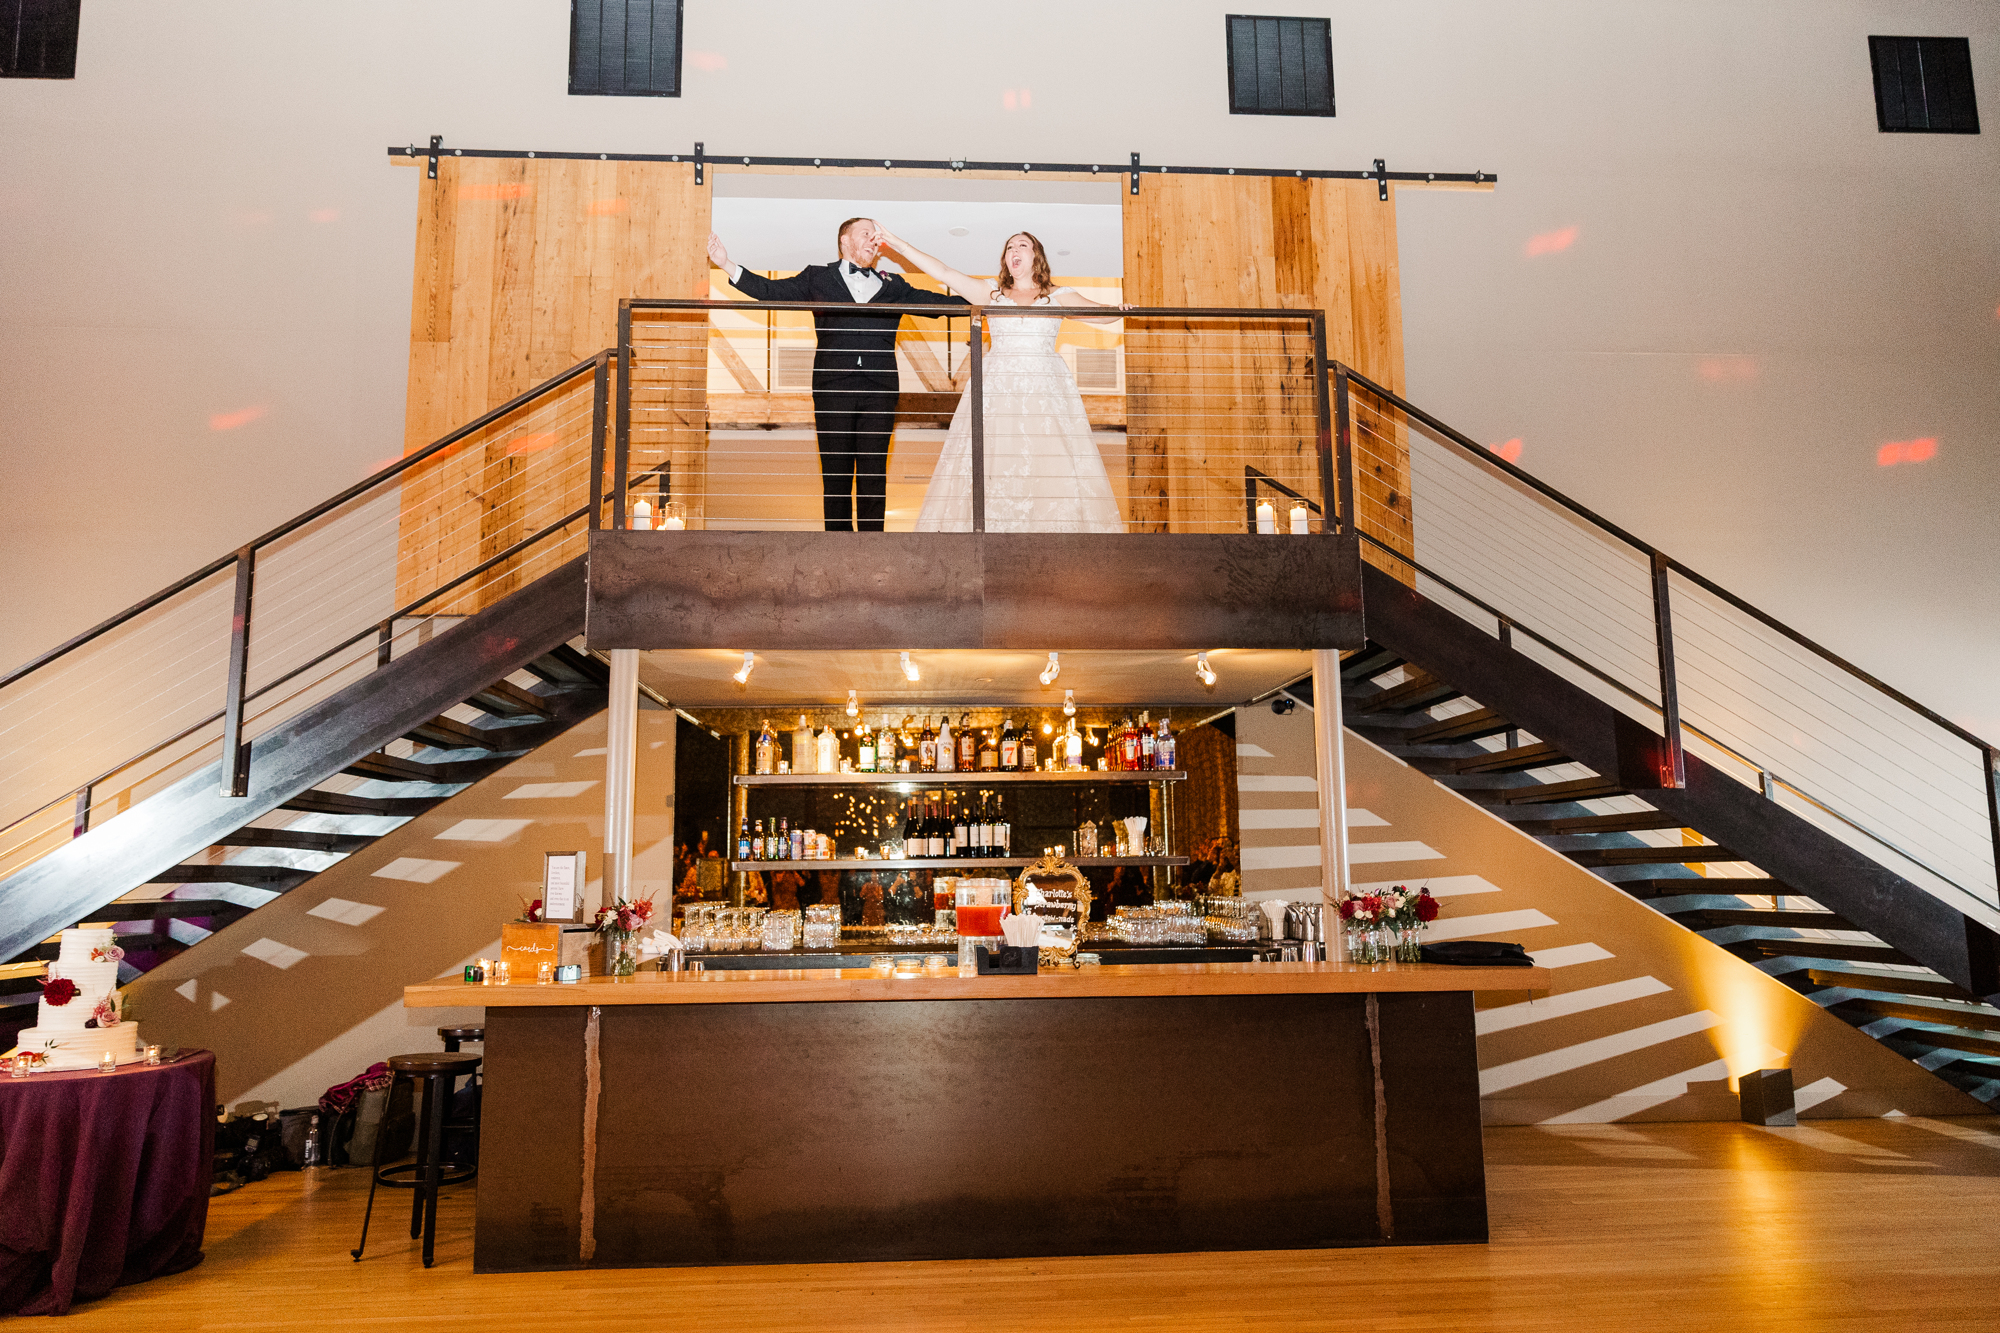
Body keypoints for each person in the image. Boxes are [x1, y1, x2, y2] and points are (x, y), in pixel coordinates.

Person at [706, 221, 968, 531]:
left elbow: (938, 304)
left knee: (873, 474)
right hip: (833, 388)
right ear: (844, 239)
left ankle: (872, 548)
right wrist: (726, 263)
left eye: (876, 237)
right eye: (866, 233)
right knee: (836, 475)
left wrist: (990, 299)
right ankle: (838, 551)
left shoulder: (894, 284)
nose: (874, 240)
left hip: (879, 391)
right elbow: (770, 290)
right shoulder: (817, 277)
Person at [870, 227, 1126, 533]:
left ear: (1036, 256)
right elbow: (944, 272)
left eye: (1022, 245)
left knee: (1050, 461)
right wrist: (898, 244)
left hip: (1044, 389)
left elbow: (1101, 313)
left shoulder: (1058, 296)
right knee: (994, 459)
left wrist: (1122, 310)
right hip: (997, 389)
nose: (1014, 250)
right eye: (1009, 248)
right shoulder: (992, 293)